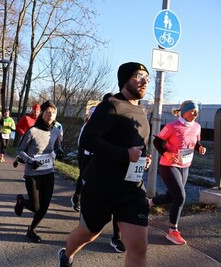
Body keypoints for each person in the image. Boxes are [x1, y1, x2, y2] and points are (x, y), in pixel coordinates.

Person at [58, 62, 152, 267]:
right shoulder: (111, 105)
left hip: (132, 187)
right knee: (88, 233)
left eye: (147, 77)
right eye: (138, 75)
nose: (144, 81)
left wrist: (144, 158)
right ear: (124, 80)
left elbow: (135, 144)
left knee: (138, 247)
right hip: (103, 185)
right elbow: (88, 140)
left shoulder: (142, 111)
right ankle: (66, 256)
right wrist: (125, 154)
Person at [148, 100, 206, 245]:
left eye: (197, 111)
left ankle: (149, 202)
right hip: (169, 165)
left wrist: (200, 148)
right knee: (180, 197)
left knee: (170, 196)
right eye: (193, 110)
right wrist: (166, 154)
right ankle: (172, 231)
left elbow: (196, 142)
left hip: (185, 165)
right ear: (184, 111)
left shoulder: (197, 127)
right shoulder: (172, 126)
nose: (195, 113)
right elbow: (157, 142)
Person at [71, 104, 126, 253]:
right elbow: (83, 143)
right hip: (90, 161)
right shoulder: (88, 127)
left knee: (117, 202)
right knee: (85, 185)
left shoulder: (115, 128)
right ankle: (80, 208)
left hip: (111, 170)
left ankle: (116, 237)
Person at [14, 100, 63, 243]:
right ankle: (22, 200)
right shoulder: (32, 131)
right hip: (33, 172)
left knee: (45, 205)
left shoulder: (55, 131)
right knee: (36, 207)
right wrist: (30, 161)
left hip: (48, 171)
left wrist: (59, 152)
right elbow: (19, 150)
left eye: (53, 113)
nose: (51, 115)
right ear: (41, 113)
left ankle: (32, 229)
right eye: (48, 112)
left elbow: (57, 146)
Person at [13, 103, 41, 168]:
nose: (36, 113)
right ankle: (19, 159)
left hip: (35, 140)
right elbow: (18, 126)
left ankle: (20, 160)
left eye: (37, 111)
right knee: (27, 156)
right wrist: (24, 133)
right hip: (26, 140)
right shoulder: (26, 118)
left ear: (40, 112)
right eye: (35, 111)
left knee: (32, 157)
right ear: (32, 110)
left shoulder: (40, 120)